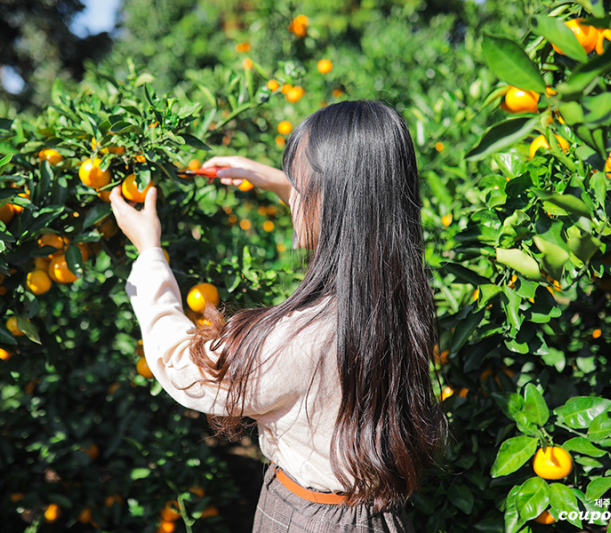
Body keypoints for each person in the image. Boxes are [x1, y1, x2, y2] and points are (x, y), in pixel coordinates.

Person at [110, 99, 447, 532]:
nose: (292, 200)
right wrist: (273, 180)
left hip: (310, 520)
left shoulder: (297, 339)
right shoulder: (398, 292)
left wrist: (149, 253)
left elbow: (183, 367)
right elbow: (356, 215)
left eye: (298, 186)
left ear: (329, 200)